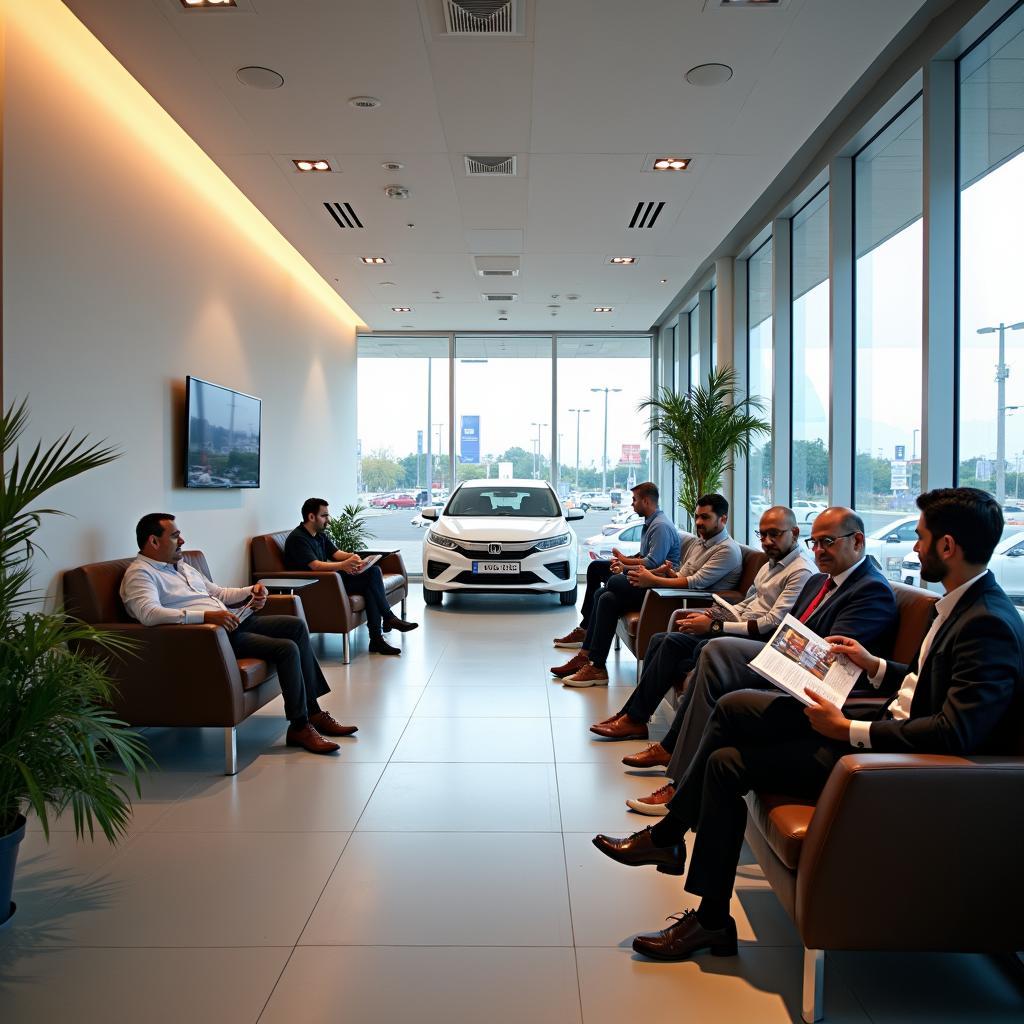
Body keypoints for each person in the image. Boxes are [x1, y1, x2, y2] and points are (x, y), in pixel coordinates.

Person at [592, 487, 1024, 963]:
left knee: (728, 749)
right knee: (727, 741)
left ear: (947, 547)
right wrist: (876, 664)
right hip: (879, 730)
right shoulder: (958, 607)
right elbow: (925, 684)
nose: (915, 547)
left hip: (892, 763)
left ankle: (676, 852)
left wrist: (848, 731)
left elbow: (954, 733)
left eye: (921, 538)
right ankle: (698, 894)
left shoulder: (988, 624)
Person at [625, 505, 897, 814]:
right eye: (816, 542)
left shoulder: (869, 589)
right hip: (781, 656)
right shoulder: (821, 581)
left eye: (828, 542)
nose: (819, 550)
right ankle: (675, 769)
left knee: (715, 651)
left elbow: (830, 658)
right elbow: (787, 627)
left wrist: (731, 633)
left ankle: (678, 781)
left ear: (857, 541)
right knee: (703, 653)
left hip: (808, 680)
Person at [120, 513, 356, 755]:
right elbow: (149, 614)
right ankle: (299, 726)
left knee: (294, 625)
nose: (182, 541)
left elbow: (218, 593)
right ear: (153, 541)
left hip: (232, 623)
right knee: (287, 648)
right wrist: (206, 617)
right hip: (209, 637)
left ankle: (314, 713)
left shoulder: (180, 566)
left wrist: (250, 591)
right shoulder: (141, 574)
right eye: (175, 536)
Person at [589, 505, 814, 745]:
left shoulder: (800, 571)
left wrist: (715, 625)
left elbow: (770, 624)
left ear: (795, 532)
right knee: (660, 639)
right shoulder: (771, 563)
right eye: (762, 535)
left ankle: (635, 718)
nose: (767, 541)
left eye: (775, 534)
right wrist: (718, 613)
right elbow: (748, 601)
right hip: (733, 625)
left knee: (668, 641)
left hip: (754, 641)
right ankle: (632, 715)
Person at [555, 493, 742, 687]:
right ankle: (594, 663)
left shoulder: (726, 550)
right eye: (697, 516)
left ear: (723, 519)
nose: (698, 522)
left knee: (615, 584)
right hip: (671, 592)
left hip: (687, 601)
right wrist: (664, 572)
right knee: (605, 596)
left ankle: (591, 661)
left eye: (705, 517)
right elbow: (681, 574)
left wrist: (652, 579)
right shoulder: (701, 542)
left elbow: (693, 582)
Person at [552, 481, 681, 652]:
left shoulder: (660, 526)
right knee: (596, 568)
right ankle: (585, 627)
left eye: (635, 500)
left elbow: (653, 563)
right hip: (646, 573)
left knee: (611, 585)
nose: (631, 504)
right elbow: (644, 557)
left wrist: (624, 566)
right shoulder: (651, 522)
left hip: (656, 581)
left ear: (646, 502)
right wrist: (623, 560)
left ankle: (587, 634)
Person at [283, 497, 417, 656]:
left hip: (331, 580)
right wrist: (343, 565)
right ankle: (383, 627)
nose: (328, 520)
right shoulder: (298, 538)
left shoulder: (319, 534)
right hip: (317, 586)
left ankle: (378, 637)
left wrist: (353, 557)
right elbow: (315, 566)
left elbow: (335, 553)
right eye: (324, 516)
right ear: (311, 517)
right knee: (372, 580)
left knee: (373, 575)